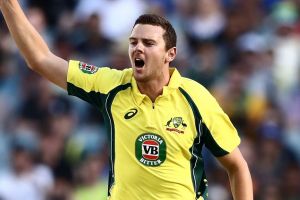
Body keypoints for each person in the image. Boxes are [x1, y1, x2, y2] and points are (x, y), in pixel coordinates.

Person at [0, 0, 253, 199]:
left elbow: (237, 167)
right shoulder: (112, 85)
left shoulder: (196, 97)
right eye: (133, 42)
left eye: (148, 43)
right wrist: (8, 3)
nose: (137, 48)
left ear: (170, 54)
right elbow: (41, 59)